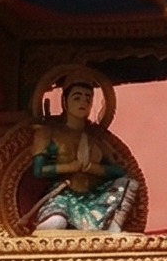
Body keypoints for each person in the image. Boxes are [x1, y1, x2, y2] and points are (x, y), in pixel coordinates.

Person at [30, 77, 138, 232]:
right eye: (77, 97)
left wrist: (92, 168)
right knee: (55, 224)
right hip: (63, 197)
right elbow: (38, 170)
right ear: (64, 101)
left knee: (129, 183)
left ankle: (112, 228)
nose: (83, 103)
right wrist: (69, 167)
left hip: (92, 199)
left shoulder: (96, 139)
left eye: (88, 98)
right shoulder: (48, 134)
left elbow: (120, 172)